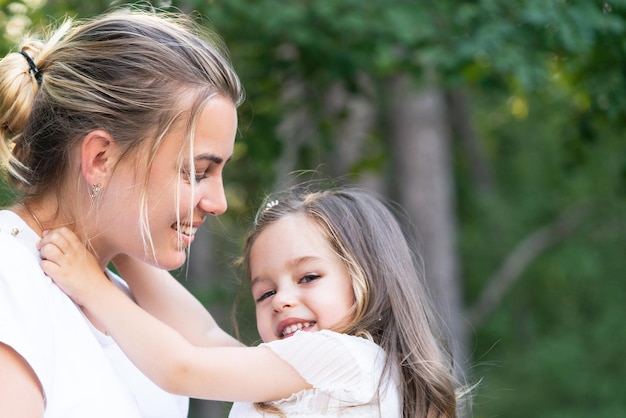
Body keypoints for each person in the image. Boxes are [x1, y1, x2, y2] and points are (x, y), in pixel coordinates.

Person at [0, 7, 244, 418]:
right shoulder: (10, 275)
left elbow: (215, 349)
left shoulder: (132, 300)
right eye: (196, 171)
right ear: (99, 159)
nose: (217, 202)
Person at [39, 187, 465, 417]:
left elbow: (182, 367)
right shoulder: (300, 375)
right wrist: (124, 247)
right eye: (265, 292)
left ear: (368, 277)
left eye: (308, 277)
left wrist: (90, 285)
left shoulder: (347, 358)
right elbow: (204, 338)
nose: (282, 300)